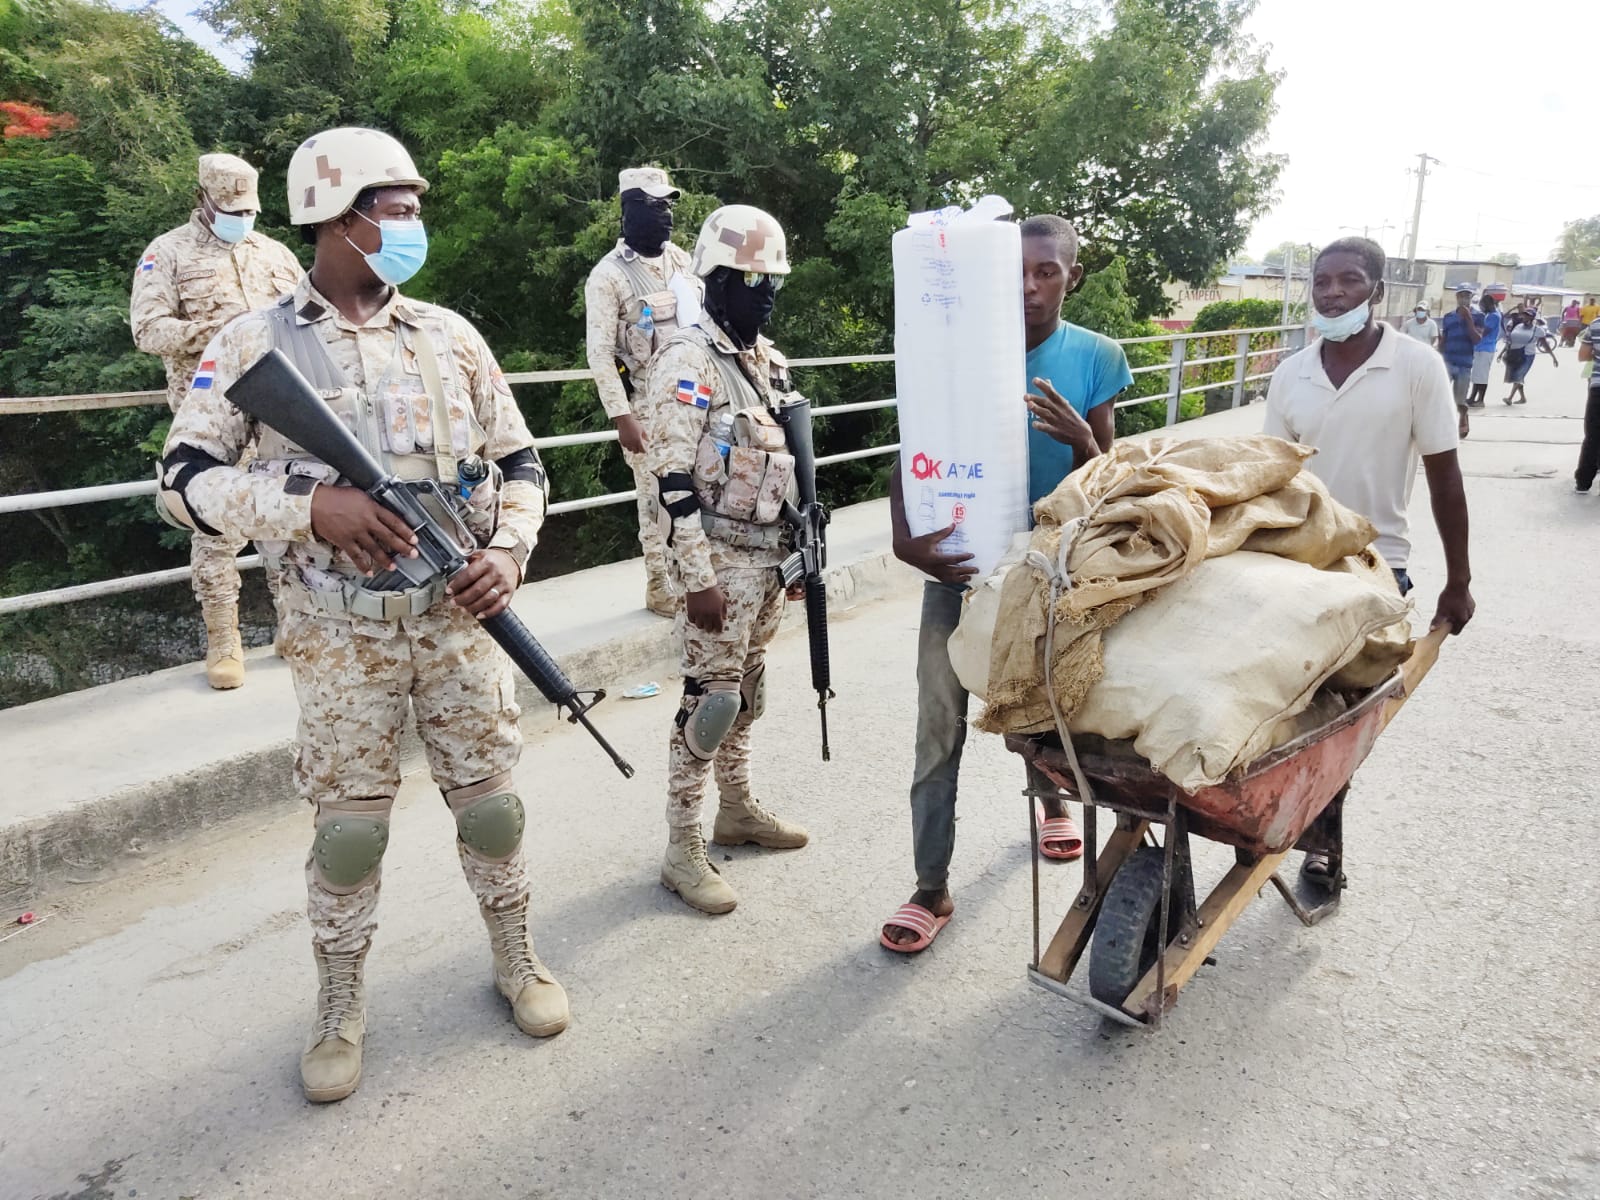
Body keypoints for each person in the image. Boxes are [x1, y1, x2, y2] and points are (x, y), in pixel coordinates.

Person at [158, 127, 568, 1103]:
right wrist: (309, 510)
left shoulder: (451, 335)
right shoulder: (251, 343)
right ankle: (339, 1002)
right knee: (350, 835)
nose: (415, 222)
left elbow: (521, 464)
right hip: (337, 633)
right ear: (338, 216)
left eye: (415, 205)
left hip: (456, 620)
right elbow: (182, 484)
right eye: (399, 206)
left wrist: (509, 551)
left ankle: (516, 958)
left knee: (495, 809)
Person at [879, 214, 1130, 953]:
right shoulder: (955, 348)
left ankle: (1053, 803)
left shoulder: (1095, 356)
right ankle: (931, 886)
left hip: (1051, 569)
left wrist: (1082, 442)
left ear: (1071, 276)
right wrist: (903, 536)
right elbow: (914, 443)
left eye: (1047, 271)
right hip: (957, 568)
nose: (1029, 285)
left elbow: (1108, 482)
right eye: (1016, 270)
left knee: (1046, 713)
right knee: (938, 725)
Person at [1264, 237, 1475, 888]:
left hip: (1377, 561)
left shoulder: (1415, 366)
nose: (1331, 292)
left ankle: (1326, 842)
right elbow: (1268, 475)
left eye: (1349, 281)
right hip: (1299, 558)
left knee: (1344, 712)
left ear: (1377, 291)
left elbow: (1444, 477)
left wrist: (1460, 581)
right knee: (1279, 700)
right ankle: (1272, 814)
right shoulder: (1291, 373)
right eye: (1322, 281)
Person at [644, 205, 810, 915]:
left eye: (773, 279)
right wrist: (697, 579)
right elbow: (671, 483)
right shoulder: (688, 360)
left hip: (768, 557)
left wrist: (803, 542)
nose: (765, 292)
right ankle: (682, 848)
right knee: (708, 702)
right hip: (717, 560)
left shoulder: (768, 361)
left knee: (747, 691)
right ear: (713, 280)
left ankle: (736, 810)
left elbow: (788, 460)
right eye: (750, 279)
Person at [131, 153, 303, 689]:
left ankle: (293, 626)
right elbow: (148, 331)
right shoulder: (168, 253)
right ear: (204, 200)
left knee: (288, 517)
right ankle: (224, 642)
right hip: (211, 414)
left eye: (249, 209)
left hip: (282, 409)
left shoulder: (274, 254)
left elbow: (309, 319)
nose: (242, 218)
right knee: (215, 527)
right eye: (232, 209)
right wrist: (219, 330)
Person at [583, 166, 702, 617]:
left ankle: (694, 581)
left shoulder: (684, 262)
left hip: (692, 401)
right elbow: (599, 353)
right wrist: (621, 416)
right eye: (654, 206)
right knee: (655, 503)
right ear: (629, 210)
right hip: (646, 406)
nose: (665, 215)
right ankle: (661, 587)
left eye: (669, 205)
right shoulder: (609, 276)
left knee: (695, 493)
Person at [1437, 288, 1482, 438]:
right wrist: (1437, 356)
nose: (1464, 299)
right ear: (1457, 297)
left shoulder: (1478, 316)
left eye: (1467, 296)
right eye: (1461, 296)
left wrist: (1468, 319)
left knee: (1460, 400)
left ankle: (1463, 419)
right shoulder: (1448, 316)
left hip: (1464, 363)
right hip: (1448, 361)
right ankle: (1443, 427)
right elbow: (1444, 338)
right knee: (1441, 395)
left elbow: (1477, 339)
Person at [1499, 309, 1550, 406]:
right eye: (1524, 315)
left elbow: (1545, 344)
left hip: (1527, 355)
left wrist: (1553, 357)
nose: (1525, 317)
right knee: (1517, 376)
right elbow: (1510, 341)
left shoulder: (1538, 330)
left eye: (1528, 316)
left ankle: (1510, 398)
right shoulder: (1518, 326)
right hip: (1514, 354)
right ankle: (1523, 398)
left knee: (1518, 376)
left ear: (1532, 318)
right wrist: (1502, 352)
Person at [1574, 317, 1600, 493]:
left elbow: (1583, 355)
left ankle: (1584, 481)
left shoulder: (1597, 324)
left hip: (1599, 388)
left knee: (1593, 435)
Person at [1467, 294, 1502, 408]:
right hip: (1480, 348)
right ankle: (1473, 397)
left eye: (1482, 305)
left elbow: (1484, 331)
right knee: (1477, 375)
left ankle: (1481, 399)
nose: (1481, 307)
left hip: (1486, 348)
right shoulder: (1488, 315)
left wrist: (1473, 327)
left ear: (1488, 304)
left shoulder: (1494, 316)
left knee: (1482, 376)